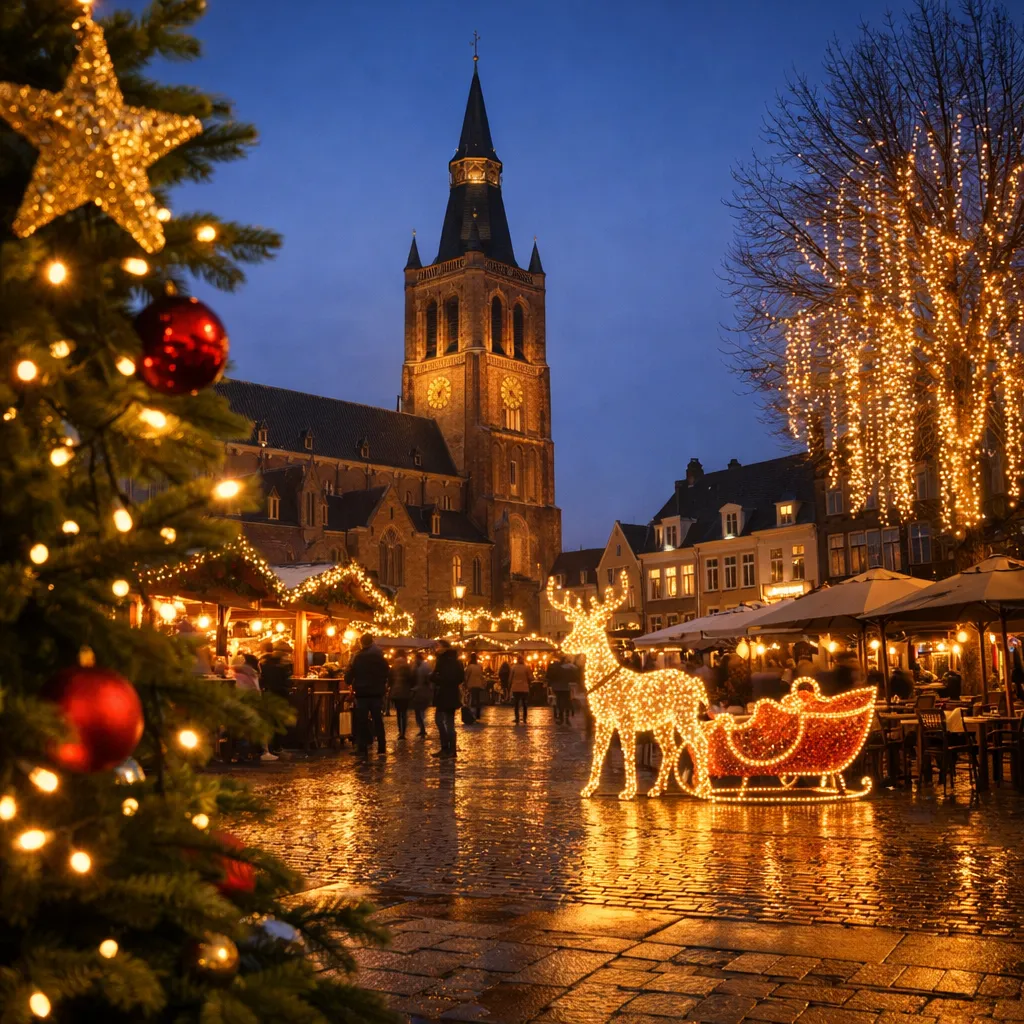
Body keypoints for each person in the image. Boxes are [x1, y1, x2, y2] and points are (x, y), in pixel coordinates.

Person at [345, 633, 388, 759]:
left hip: (362, 694)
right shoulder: (380, 657)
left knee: (362, 721)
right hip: (376, 694)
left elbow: (349, 676)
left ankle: (362, 747)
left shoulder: (358, 657)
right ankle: (381, 746)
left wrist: (350, 679)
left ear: (361, 643)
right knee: (378, 720)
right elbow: (386, 673)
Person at [231, 654, 277, 761]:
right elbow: (255, 692)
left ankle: (246, 752)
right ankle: (260, 752)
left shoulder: (237, 673)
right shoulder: (251, 674)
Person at [430, 639, 463, 758]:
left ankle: (445, 748)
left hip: (443, 694)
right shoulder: (457, 661)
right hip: (453, 694)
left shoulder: (441, 660)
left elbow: (434, 676)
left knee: (439, 720)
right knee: (450, 723)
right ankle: (452, 750)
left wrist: (436, 679)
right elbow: (461, 678)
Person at [389, 651, 413, 740]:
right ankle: (403, 732)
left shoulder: (393, 667)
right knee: (404, 713)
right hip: (405, 692)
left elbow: (390, 680)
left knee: (399, 713)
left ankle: (400, 731)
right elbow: (411, 679)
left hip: (396, 692)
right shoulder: (407, 667)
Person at [411, 651, 433, 737]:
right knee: (419, 711)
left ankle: (422, 728)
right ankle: (422, 728)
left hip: (422, 692)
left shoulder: (424, 667)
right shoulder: (420, 666)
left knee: (419, 711)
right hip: (420, 691)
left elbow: (427, 680)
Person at [548, 655, 572, 724]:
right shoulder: (567, 668)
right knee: (566, 701)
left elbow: (550, 676)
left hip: (557, 687)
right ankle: (566, 717)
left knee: (559, 701)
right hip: (565, 687)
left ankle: (561, 716)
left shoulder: (555, 667)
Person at [509, 654, 532, 725]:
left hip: (516, 687)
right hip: (524, 688)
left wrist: (509, 685)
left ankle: (517, 718)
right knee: (525, 703)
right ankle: (524, 718)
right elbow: (531, 677)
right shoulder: (527, 667)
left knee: (516, 703)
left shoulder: (513, 668)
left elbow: (510, 678)